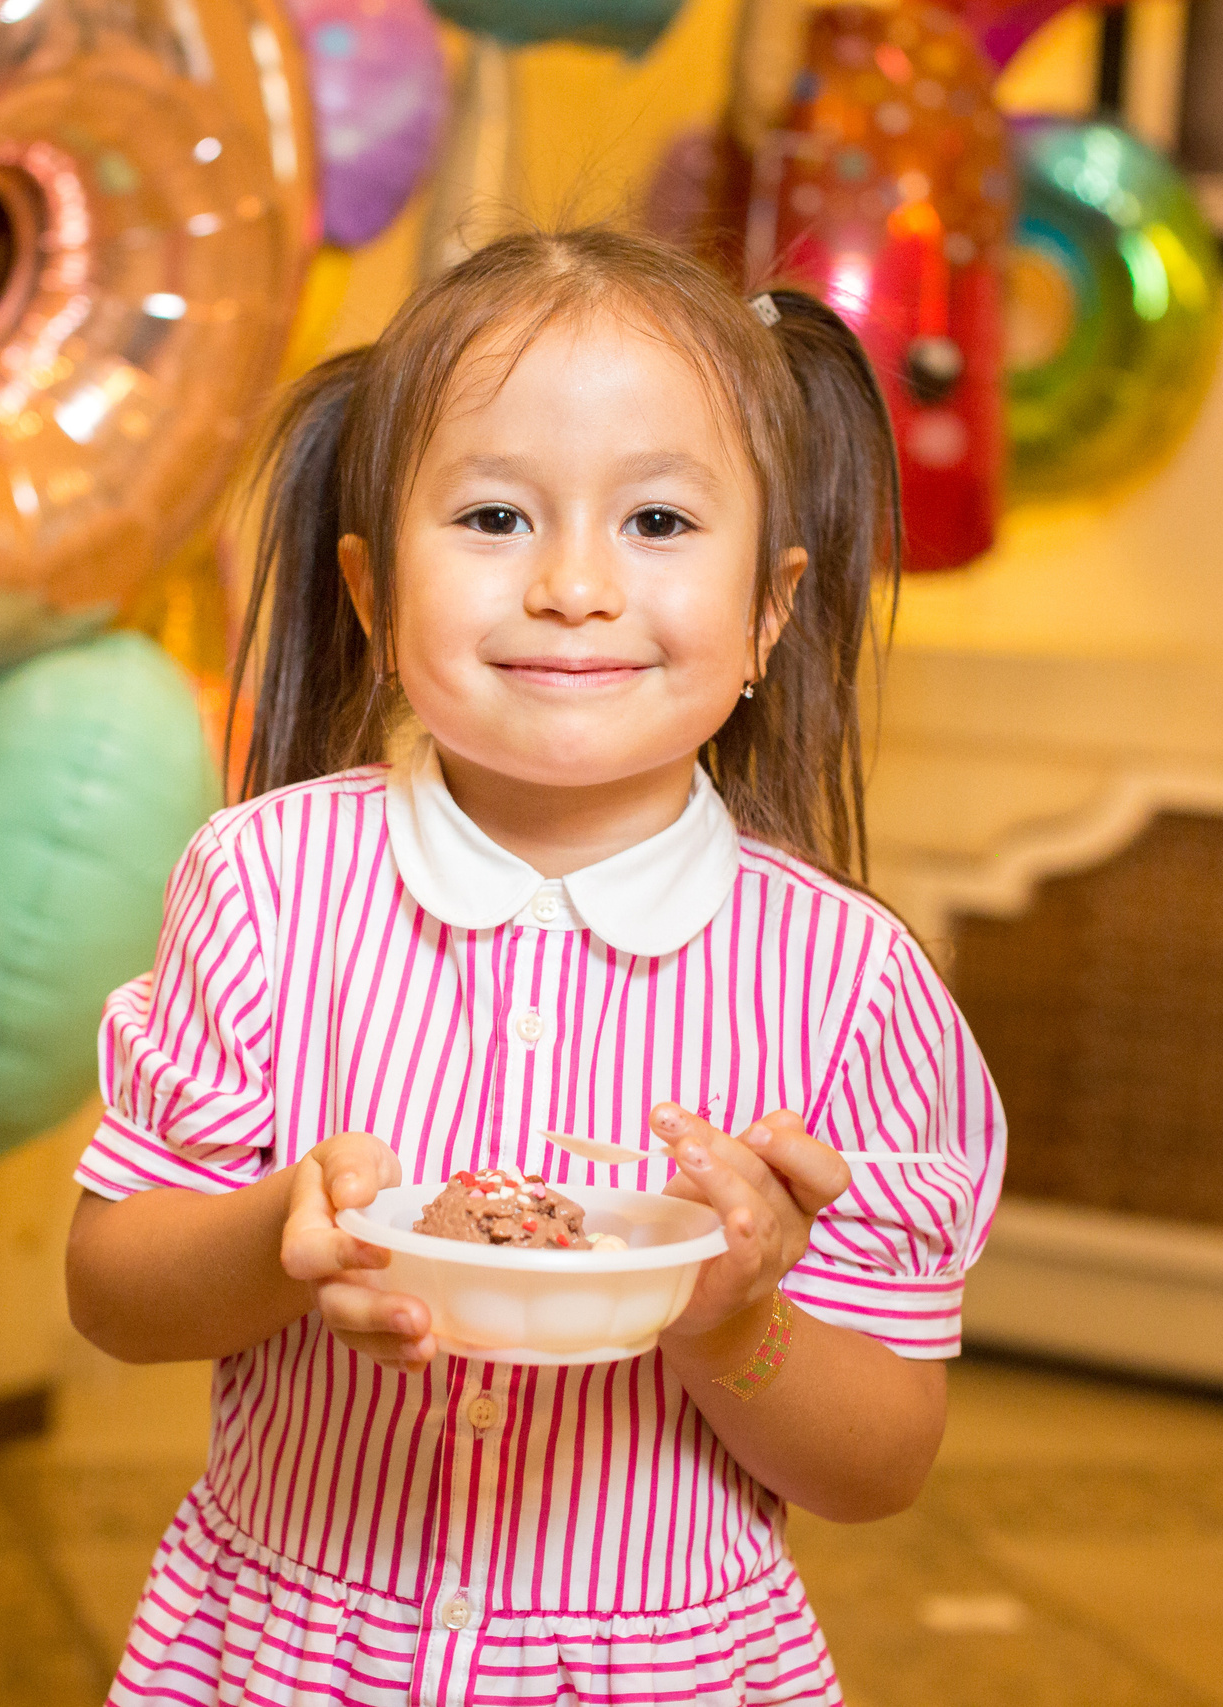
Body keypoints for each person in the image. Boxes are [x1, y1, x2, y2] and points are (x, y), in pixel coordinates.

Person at [64, 226, 1005, 1706]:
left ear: (770, 608)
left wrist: (735, 1317)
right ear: (371, 595)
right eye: (496, 516)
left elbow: (881, 1464)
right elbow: (114, 1292)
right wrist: (275, 1242)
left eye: (658, 521)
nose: (573, 584)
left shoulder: (849, 984)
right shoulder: (262, 886)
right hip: (288, 1661)